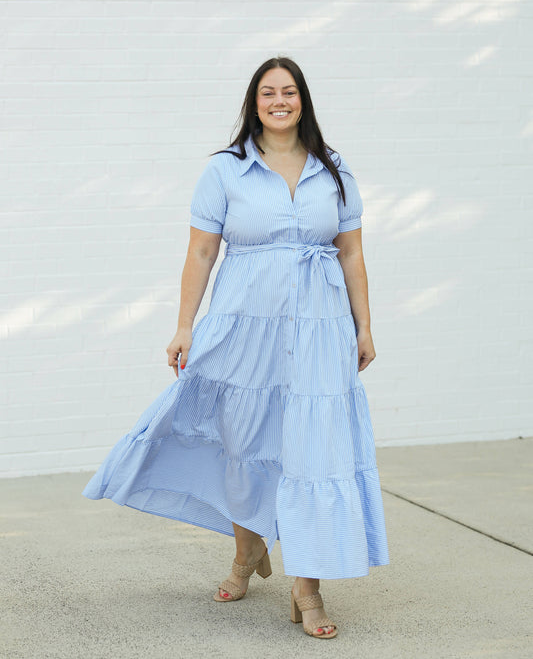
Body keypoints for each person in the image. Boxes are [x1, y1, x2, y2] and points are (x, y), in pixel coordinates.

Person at [82, 56, 389, 640]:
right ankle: (246, 553)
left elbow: (351, 251)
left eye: (290, 92)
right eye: (268, 92)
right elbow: (201, 253)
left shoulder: (334, 167)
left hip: (321, 329)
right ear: (253, 103)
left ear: (303, 101)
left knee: (311, 453)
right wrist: (183, 326)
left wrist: (364, 326)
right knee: (244, 443)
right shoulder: (225, 171)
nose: (280, 101)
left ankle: (309, 590)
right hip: (245, 328)